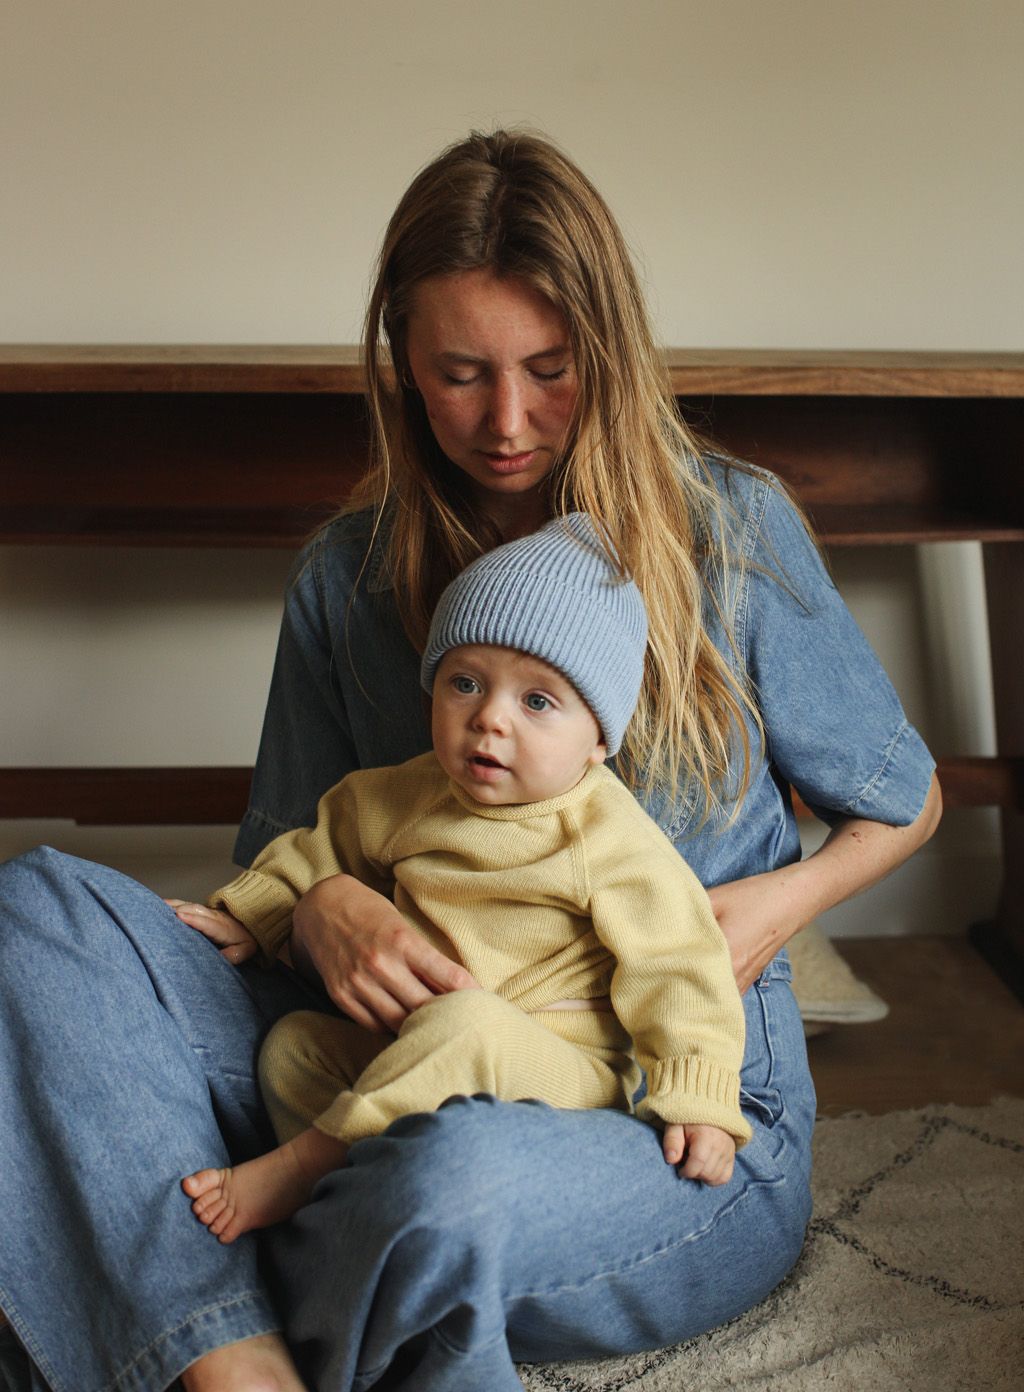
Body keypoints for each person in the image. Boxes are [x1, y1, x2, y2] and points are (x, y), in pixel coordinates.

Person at [0, 128, 941, 1392]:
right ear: (402, 361)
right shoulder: (346, 573)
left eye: (550, 370)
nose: (507, 422)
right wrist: (322, 909)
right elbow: (274, 874)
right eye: (459, 374)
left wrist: (776, 904)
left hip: (650, 1118)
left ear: (608, 348)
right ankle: (232, 1357)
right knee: (37, 914)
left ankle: (148, 1264)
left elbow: (907, 802)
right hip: (364, 1064)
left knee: (446, 1185)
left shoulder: (729, 532)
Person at [177, 515, 753, 1245]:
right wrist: (254, 914)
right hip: (420, 1047)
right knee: (294, 1046)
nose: (489, 720)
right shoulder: (405, 796)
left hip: (559, 1074)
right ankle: (345, 1211)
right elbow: (319, 851)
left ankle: (302, 1169)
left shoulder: (608, 838)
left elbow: (680, 965)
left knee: (469, 1021)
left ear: (599, 740)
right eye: (466, 683)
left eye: (537, 701)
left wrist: (698, 1098)